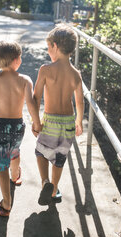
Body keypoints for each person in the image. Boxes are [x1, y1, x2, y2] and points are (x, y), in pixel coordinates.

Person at [33, 24, 84, 205]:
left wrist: (36, 121)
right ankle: (54, 190)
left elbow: (35, 97)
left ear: (54, 46)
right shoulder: (76, 74)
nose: (48, 52)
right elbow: (79, 101)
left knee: (41, 151)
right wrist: (79, 121)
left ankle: (45, 182)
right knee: (60, 157)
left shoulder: (46, 70)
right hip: (69, 122)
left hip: (51, 120)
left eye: (48, 48)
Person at [0, 40, 41, 216]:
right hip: (17, 125)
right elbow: (31, 104)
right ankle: (15, 176)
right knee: (14, 151)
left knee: (1, 163)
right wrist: (37, 123)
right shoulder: (25, 80)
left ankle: (6, 203)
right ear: (16, 60)